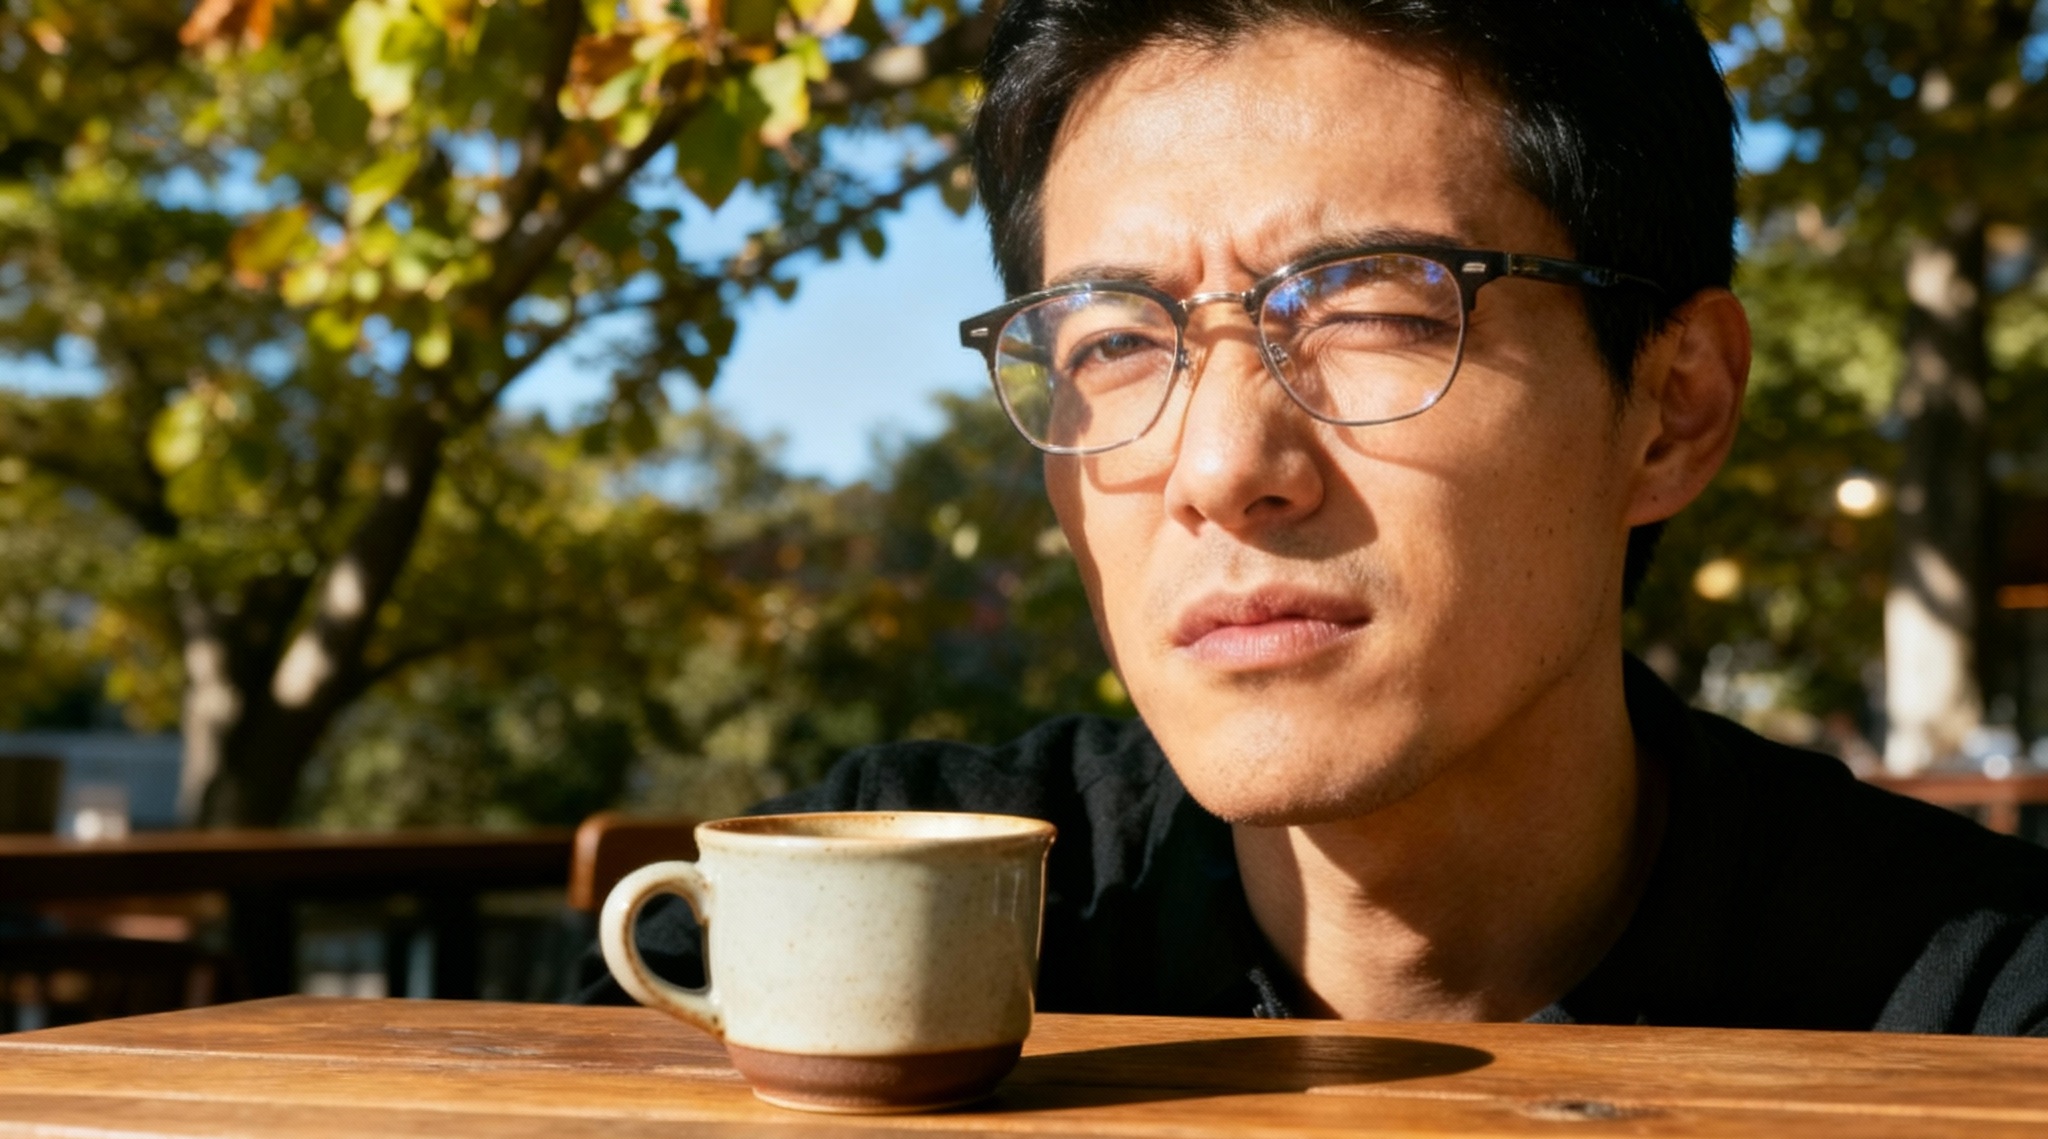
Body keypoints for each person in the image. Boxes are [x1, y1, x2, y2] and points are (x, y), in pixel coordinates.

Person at [580, 0, 2048, 1033]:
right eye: (1115, 341)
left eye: (1375, 313)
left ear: (1672, 409)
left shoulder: (1970, 1007)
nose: (1223, 465)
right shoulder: (878, 910)